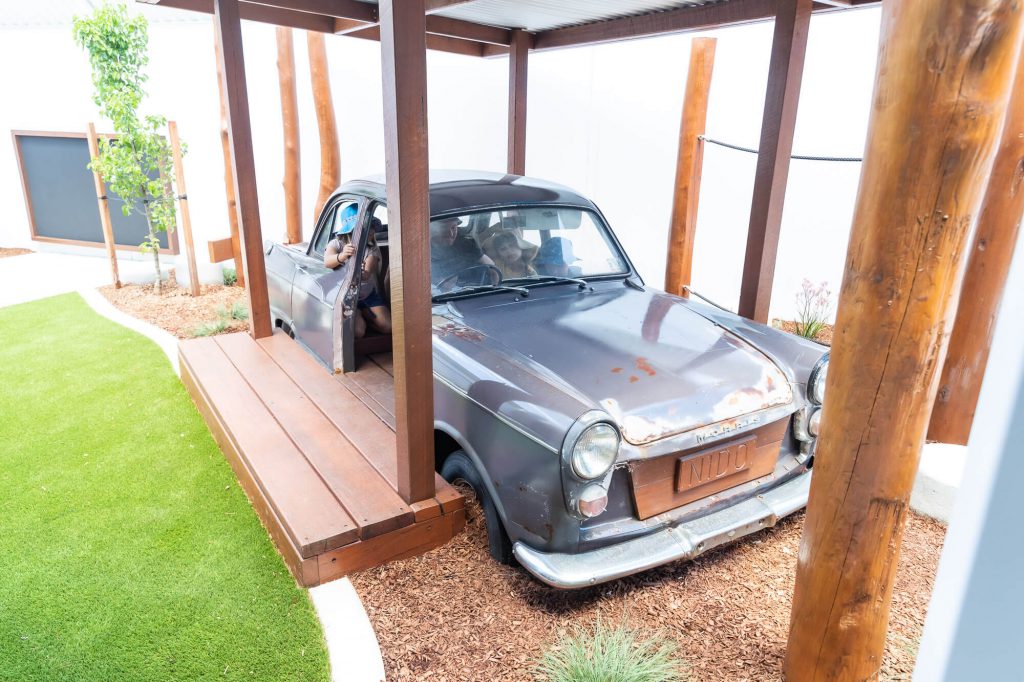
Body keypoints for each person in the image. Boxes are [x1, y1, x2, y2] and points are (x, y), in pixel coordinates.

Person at [324, 204, 392, 338]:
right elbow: (327, 261)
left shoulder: (372, 249)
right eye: (366, 227)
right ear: (351, 230)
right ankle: (359, 313)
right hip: (346, 296)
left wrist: (361, 272)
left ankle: (366, 312)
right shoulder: (337, 244)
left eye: (372, 226)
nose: (371, 230)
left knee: (388, 327)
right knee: (358, 332)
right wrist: (342, 256)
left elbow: (367, 274)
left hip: (368, 296)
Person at [429, 215, 494, 284]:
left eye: (453, 228)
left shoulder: (465, 244)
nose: (451, 234)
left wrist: (494, 289)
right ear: (433, 231)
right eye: (445, 230)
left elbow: (492, 268)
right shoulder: (422, 249)